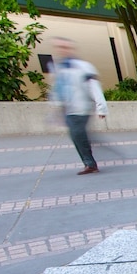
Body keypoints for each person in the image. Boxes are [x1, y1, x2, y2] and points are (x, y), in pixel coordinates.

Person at [49, 37, 108, 175]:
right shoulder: (58, 68)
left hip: (82, 108)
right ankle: (90, 160)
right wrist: (57, 107)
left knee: (77, 133)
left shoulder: (83, 67)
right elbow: (56, 89)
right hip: (68, 109)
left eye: (64, 47)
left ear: (71, 49)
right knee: (77, 135)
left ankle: (90, 163)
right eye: (59, 47)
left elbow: (94, 87)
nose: (61, 50)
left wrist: (101, 107)